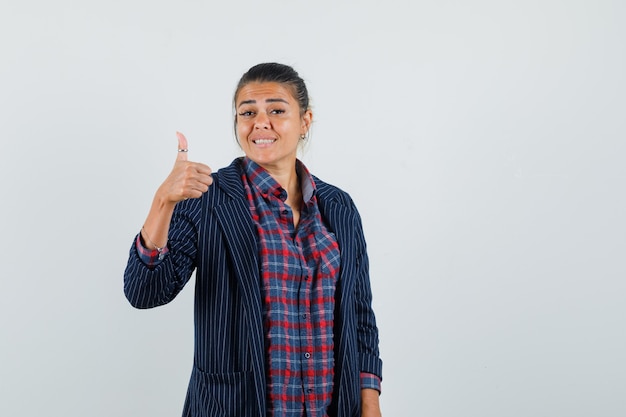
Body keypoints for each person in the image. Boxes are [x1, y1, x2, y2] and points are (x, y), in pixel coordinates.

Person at [124, 62, 383, 417]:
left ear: (305, 121)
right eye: (248, 112)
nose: (261, 122)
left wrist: (370, 404)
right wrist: (162, 202)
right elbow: (143, 291)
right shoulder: (208, 200)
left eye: (277, 110)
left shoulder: (338, 207)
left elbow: (360, 316)